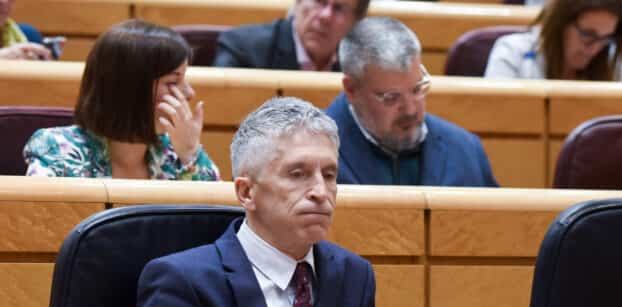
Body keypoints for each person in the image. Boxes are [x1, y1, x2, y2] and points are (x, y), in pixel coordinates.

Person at [135, 97, 383, 307]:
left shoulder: (353, 276)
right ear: (246, 192)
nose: (320, 192)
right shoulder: (183, 283)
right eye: (298, 174)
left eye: (329, 175)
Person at [23, 20, 219, 180]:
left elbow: (213, 221)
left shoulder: (176, 152)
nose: (189, 93)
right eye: (173, 82)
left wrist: (190, 155)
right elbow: (39, 223)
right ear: (130, 90)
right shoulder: (57, 151)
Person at [325, 17, 498, 187]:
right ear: (351, 89)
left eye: (417, 90)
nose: (410, 110)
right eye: (391, 98)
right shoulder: (315, 151)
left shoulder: (465, 150)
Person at [485, 0, 622, 81]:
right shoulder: (511, 53)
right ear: (560, 23)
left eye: (605, 38)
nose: (594, 49)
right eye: (587, 34)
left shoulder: (611, 62)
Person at [213, 0, 367, 71]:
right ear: (298, 3)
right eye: (319, 1)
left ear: (356, 21)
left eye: (339, 8)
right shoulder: (242, 49)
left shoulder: (361, 64)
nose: (325, 16)